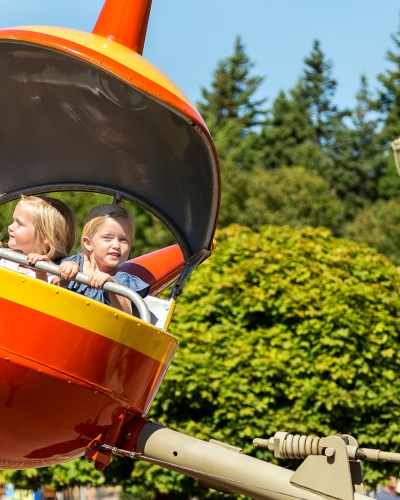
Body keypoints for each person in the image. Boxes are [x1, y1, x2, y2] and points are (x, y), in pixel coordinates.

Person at [57, 204, 149, 314]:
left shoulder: (122, 280)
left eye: (123, 239)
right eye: (107, 237)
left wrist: (113, 286)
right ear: (88, 243)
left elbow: (126, 315)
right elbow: (50, 299)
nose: (116, 245)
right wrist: (64, 276)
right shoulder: (72, 262)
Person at [0, 195, 76, 281]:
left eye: (19, 223)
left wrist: (41, 273)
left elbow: (44, 294)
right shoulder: (5, 259)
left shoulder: (52, 274)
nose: (10, 227)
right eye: (13, 221)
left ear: (44, 237)